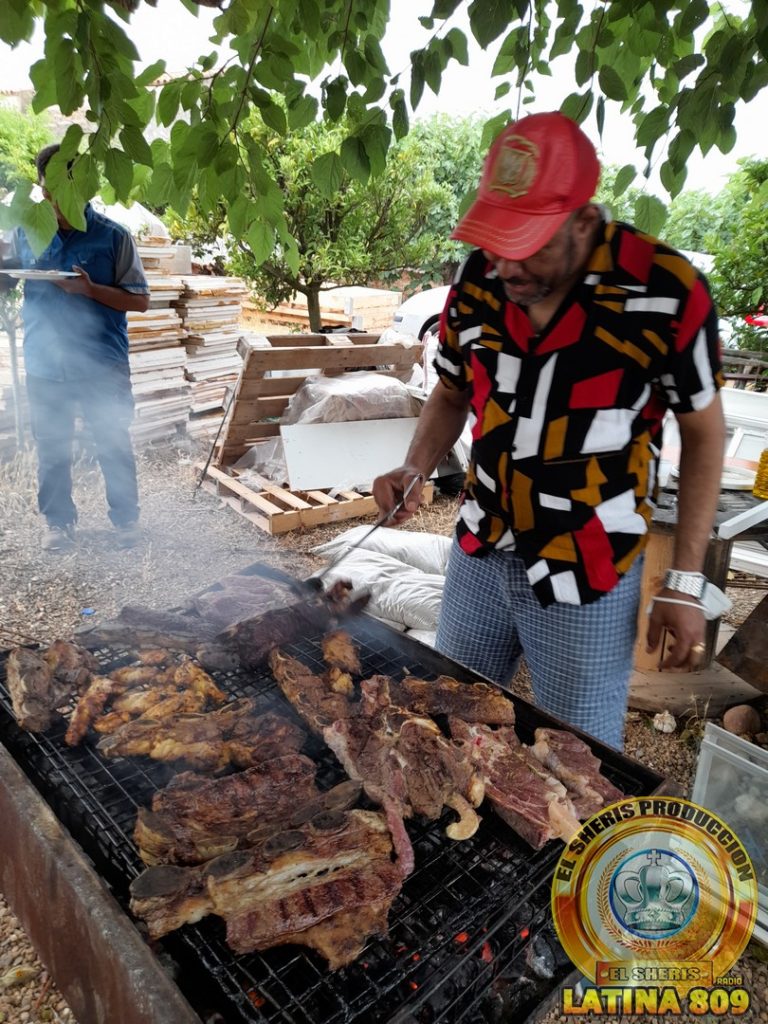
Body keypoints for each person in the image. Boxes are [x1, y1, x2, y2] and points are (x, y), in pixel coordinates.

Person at [373, 111, 725, 750]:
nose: (508, 265)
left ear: (585, 221)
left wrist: (686, 583)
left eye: (530, 241)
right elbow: (451, 392)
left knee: (576, 756)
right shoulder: (478, 281)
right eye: (497, 239)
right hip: (481, 547)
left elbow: (704, 435)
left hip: (588, 564)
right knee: (450, 729)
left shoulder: (665, 292)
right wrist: (415, 467)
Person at [0, 143, 151, 551]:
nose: (61, 194)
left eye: (71, 180)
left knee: (112, 441)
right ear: (42, 188)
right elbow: (7, 279)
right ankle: (57, 524)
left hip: (102, 362)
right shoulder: (24, 232)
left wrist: (89, 289)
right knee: (51, 445)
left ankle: (125, 521)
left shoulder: (114, 237)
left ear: (84, 184)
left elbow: (139, 299)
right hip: (45, 362)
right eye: (53, 185)